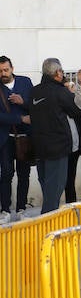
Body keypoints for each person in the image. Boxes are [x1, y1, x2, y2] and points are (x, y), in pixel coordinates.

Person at [29, 58, 81, 214]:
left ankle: (47, 219)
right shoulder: (60, 92)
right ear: (58, 73)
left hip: (39, 147)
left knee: (47, 188)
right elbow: (77, 111)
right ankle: (48, 223)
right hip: (58, 147)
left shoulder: (34, 91)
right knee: (54, 190)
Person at [0, 56, 33, 222]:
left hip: (25, 138)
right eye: (0, 71)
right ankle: (5, 210)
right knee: (6, 174)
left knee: (24, 175)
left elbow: (35, 106)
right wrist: (20, 119)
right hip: (5, 139)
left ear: (12, 68)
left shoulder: (25, 82)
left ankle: (21, 209)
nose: (3, 73)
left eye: (6, 70)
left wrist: (23, 102)